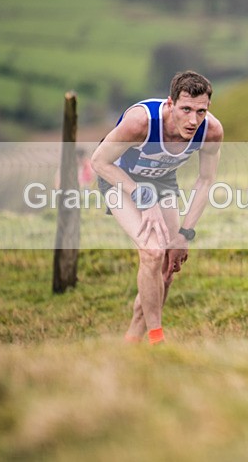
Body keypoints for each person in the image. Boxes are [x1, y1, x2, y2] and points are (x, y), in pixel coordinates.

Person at [92, 71, 223, 345]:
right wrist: (143, 197)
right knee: (152, 251)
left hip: (161, 179)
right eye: (185, 109)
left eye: (201, 111)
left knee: (168, 264)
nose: (192, 120)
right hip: (118, 178)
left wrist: (184, 234)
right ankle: (157, 339)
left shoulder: (211, 131)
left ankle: (133, 339)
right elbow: (99, 161)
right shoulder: (141, 122)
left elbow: (206, 180)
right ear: (170, 104)